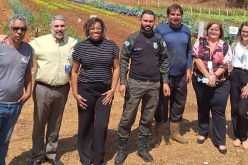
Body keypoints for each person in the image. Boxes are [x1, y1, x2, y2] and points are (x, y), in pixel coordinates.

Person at [115, 10, 170, 165]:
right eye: (145, 21)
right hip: (134, 83)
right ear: (140, 21)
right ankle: (122, 149)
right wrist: (123, 82)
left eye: (151, 21)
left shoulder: (159, 39)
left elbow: (165, 60)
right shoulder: (132, 38)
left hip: (154, 85)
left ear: (155, 22)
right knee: (127, 117)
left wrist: (165, 81)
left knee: (147, 118)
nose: (148, 24)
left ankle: (142, 148)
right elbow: (124, 60)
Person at [29, 15, 77, 165]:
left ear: (66, 27)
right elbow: (22, 48)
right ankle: (37, 155)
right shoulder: (39, 42)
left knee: (56, 122)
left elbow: (86, 51)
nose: (59, 29)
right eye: (56, 26)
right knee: (39, 122)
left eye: (62, 26)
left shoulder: (73, 43)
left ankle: (51, 154)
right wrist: (4, 39)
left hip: (63, 89)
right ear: (51, 27)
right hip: (42, 88)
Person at [71, 17, 120, 165]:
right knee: (85, 123)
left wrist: (112, 89)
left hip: (104, 92)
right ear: (87, 30)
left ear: (102, 29)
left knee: (101, 125)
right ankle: (86, 158)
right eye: (92, 28)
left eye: (98, 28)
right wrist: (75, 93)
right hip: (85, 89)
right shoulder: (80, 47)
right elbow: (74, 72)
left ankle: (98, 159)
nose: (95, 31)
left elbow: (116, 68)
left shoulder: (111, 46)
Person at [150, 3, 192, 147]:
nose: (175, 17)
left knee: (179, 102)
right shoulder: (160, 30)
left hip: (180, 74)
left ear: (181, 16)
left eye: (178, 14)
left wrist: (189, 69)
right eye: (172, 14)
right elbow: (153, 49)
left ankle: (175, 132)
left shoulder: (186, 30)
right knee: (162, 103)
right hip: (164, 74)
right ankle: (158, 133)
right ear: (168, 15)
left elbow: (188, 51)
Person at [192, 21, 232, 154]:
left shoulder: (225, 45)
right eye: (211, 29)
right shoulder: (200, 41)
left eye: (216, 30)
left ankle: (220, 140)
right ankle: (203, 131)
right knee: (203, 106)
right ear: (207, 30)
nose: (214, 32)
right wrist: (208, 75)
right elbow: (197, 59)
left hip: (221, 83)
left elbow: (226, 64)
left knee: (219, 110)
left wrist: (214, 76)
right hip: (201, 81)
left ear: (220, 32)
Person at [0, 14, 32, 165]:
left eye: (23, 29)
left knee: (5, 140)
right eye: (16, 28)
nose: (19, 32)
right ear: (10, 29)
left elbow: (27, 73)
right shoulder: (1, 46)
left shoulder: (28, 49)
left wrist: (29, 91)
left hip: (15, 104)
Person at [230, 22, 248, 149]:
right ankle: (237, 136)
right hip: (235, 76)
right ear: (240, 32)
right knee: (235, 109)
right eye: (243, 31)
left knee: (243, 111)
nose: (245, 34)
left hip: (247, 77)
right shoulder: (235, 45)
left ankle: (244, 137)